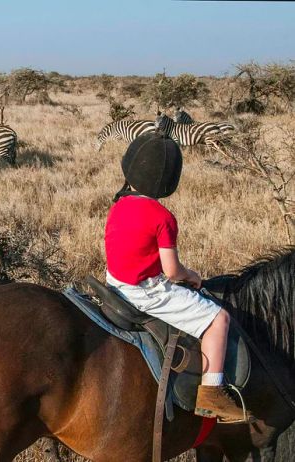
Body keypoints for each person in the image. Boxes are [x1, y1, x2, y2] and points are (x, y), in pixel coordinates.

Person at [104, 132, 253, 424]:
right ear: (168, 180)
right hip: (144, 291)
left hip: (114, 283)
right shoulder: (162, 217)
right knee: (218, 319)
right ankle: (212, 395)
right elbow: (172, 271)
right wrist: (192, 275)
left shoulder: (119, 204)